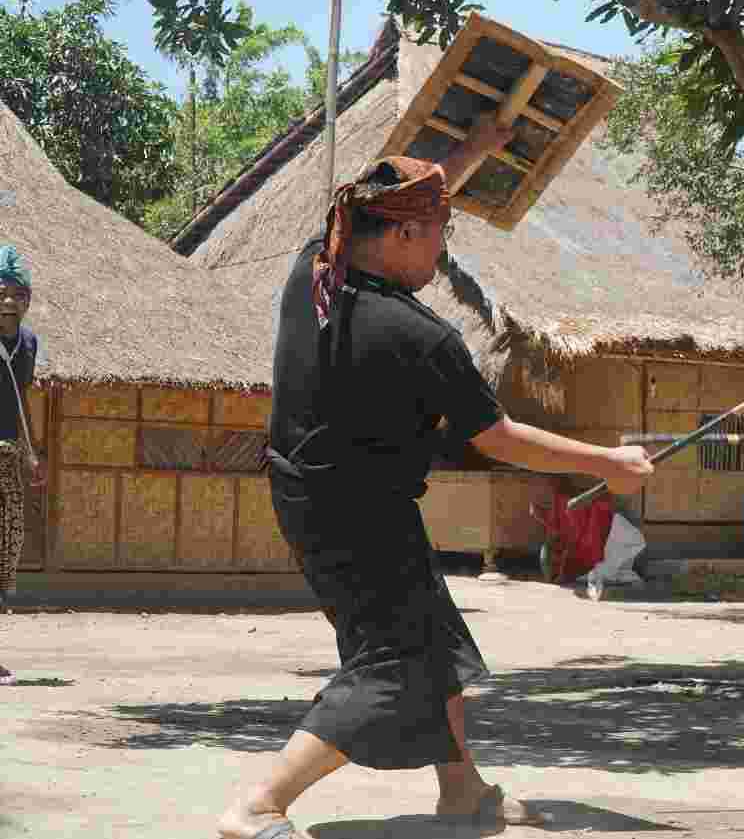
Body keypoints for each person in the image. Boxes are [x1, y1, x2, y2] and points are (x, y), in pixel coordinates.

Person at [218, 119, 656, 839]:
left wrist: (474, 149)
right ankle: (259, 802)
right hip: (354, 515)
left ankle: (462, 791)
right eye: (437, 235)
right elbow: (503, 440)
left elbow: (383, 188)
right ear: (400, 237)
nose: (442, 253)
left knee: (435, 641)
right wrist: (607, 462)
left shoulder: (312, 271)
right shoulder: (421, 338)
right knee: (391, 662)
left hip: (319, 494)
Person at [0, 244, 44, 687]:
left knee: (4, 551)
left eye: (19, 294)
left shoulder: (29, 344)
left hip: (10, 454)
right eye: (2, 293)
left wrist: (32, 450)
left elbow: (21, 399)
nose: (11, 301)